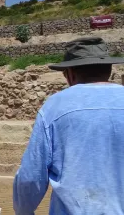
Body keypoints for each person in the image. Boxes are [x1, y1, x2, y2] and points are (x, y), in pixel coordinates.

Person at [13, 37, 124, 214]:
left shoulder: (54, 107)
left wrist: (23, 211)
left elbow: (30, 178)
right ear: (108, 70)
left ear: (70, 73)